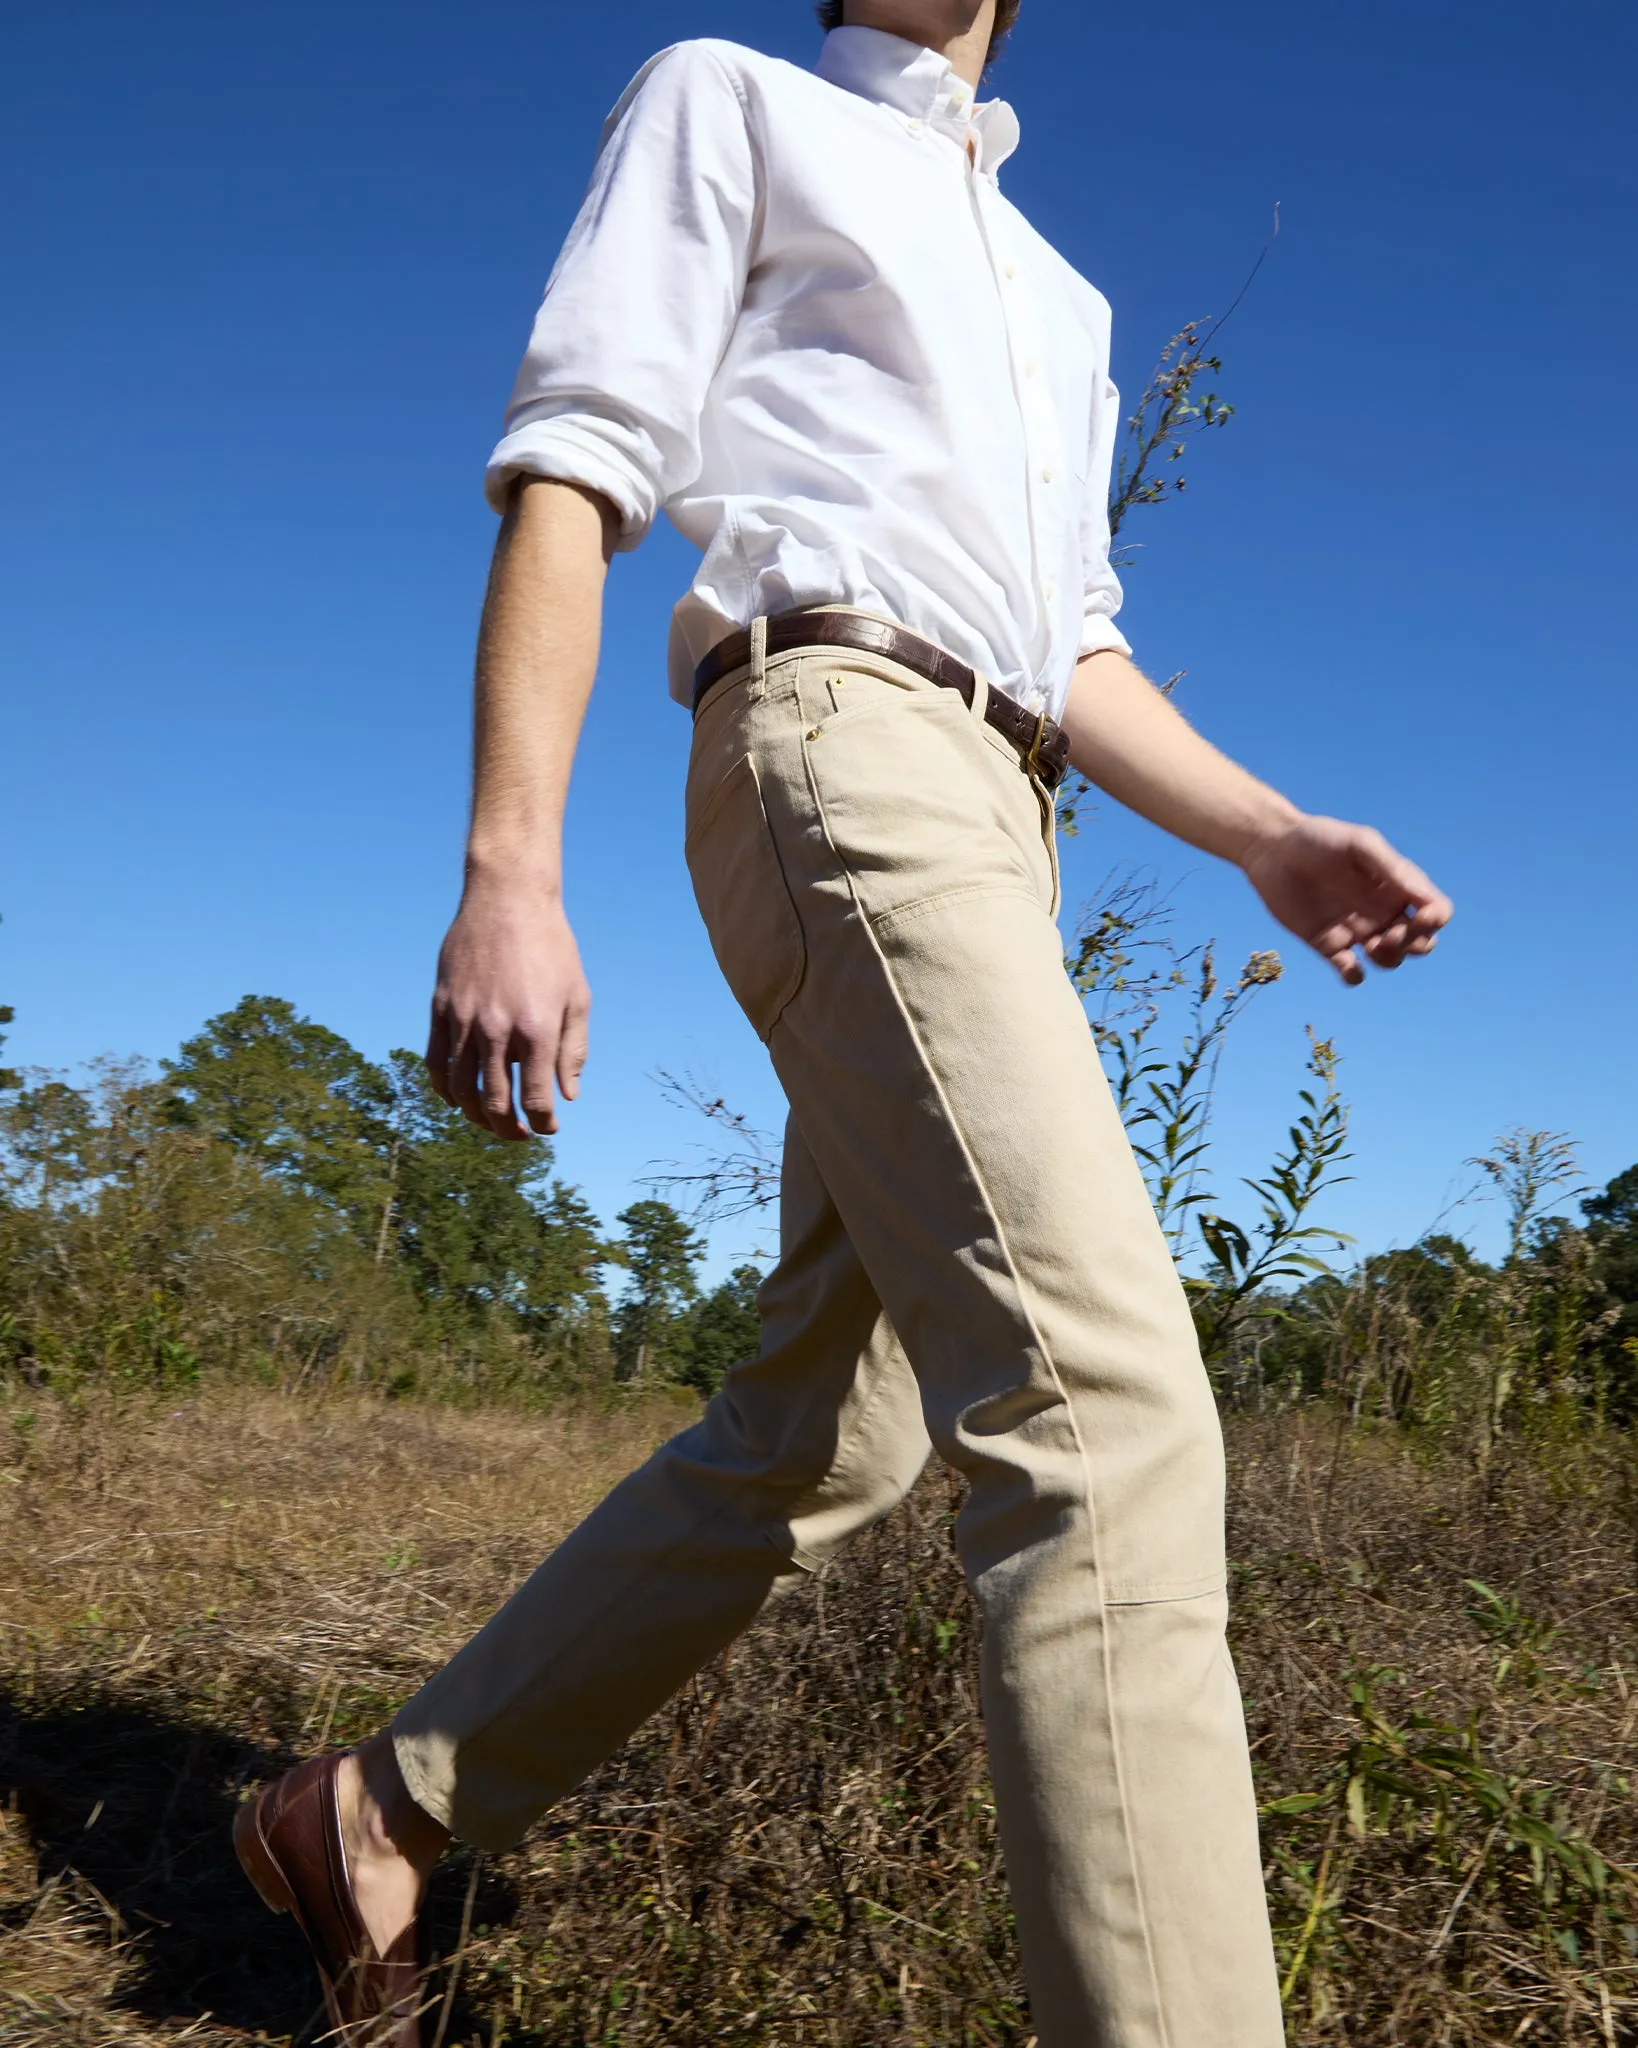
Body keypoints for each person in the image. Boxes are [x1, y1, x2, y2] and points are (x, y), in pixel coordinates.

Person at [234, 4, 1452, 2042]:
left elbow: (1068, 640)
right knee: (1102, 1412)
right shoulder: (736, 101)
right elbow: (573, 467)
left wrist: (1265, 832)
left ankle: (378, 1809)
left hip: (1002, 810)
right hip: (837, 751)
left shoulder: (1060, 293)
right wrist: (508, 868)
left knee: (842, 1415)